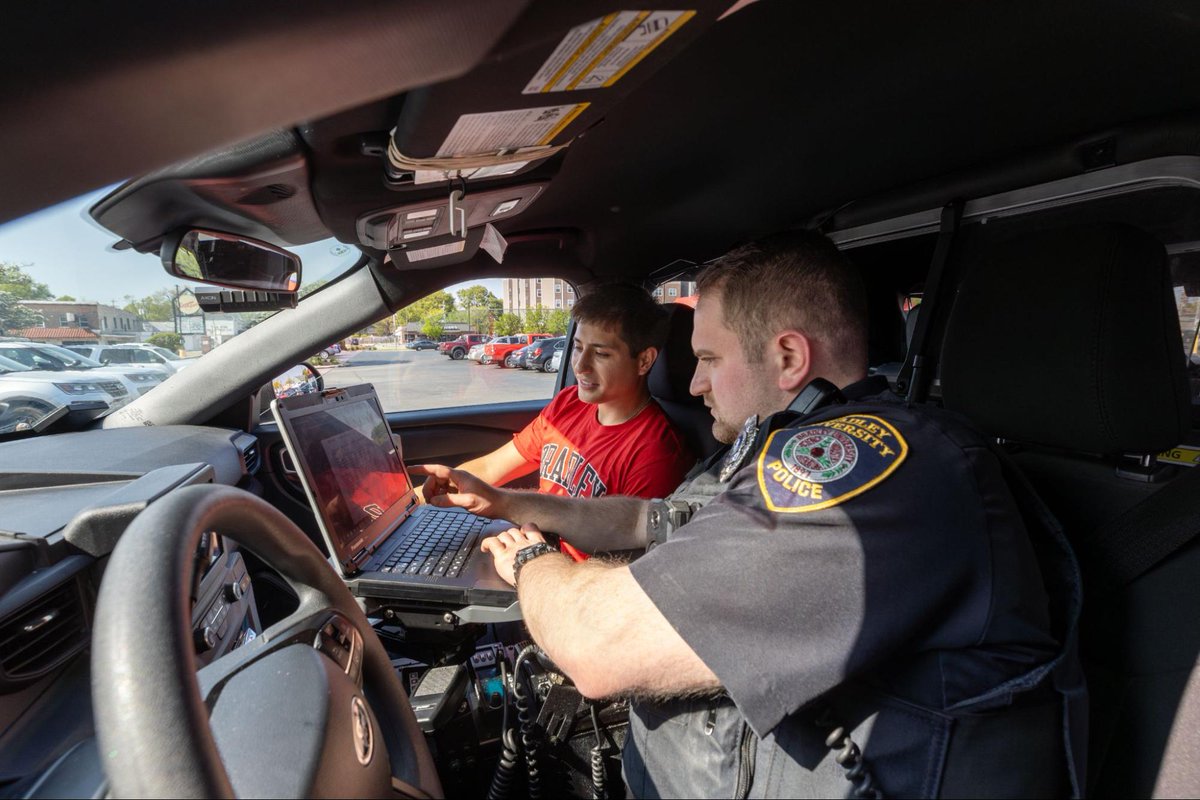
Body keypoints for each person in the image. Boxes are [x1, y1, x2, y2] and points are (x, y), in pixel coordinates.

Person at [415, 231, 1081, 798]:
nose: (694, 381)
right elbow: (648, 520)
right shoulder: (783, 440)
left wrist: (532, 560)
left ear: (788, 356)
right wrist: (509, 503)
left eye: (707, 359)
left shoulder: (868, 469)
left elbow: (599, 646)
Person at [425, 283, 693, 559]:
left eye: (601, 354)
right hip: (530, 547)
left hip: (564, 576)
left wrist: (530, 559)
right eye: (578, 348)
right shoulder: (569, 404)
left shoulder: (658, 453)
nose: (580, 365)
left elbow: (624, 566)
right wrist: (409, 505)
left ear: (645, 361)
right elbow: (492, 466)